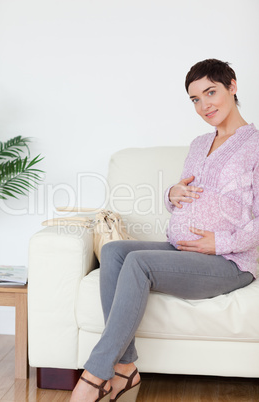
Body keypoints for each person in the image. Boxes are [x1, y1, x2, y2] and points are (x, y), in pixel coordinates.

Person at [70, 58, 258, 402]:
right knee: (113, 251)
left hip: (229, 262)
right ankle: (126, 369)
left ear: (232, 86)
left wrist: (220, 243)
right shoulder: (200, 143)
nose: (204, 106)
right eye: (195, 100)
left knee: (140, 263)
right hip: (182, 249)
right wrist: (172, 194)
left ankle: (95, 374)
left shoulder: (255, 145)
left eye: (211, 92)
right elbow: (190, 193)